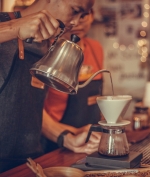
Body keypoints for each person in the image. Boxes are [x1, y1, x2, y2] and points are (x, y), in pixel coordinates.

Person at [0, 0, 98, 173]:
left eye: (82, 15)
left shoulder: (47, 42)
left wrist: (66, 138)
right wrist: (14, 28)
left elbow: (28, 107)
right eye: (74, 11)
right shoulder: (5, 23)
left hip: (29, 163)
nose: (75, 22)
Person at [42, 9, 103, 153]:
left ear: (92, 16)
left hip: (89, 141)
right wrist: (71, 134)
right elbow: (33, 113)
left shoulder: (96, 48)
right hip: (55, 141)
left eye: (84, 15)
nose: (78, 22)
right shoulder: (47, 51)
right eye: (73, 12)